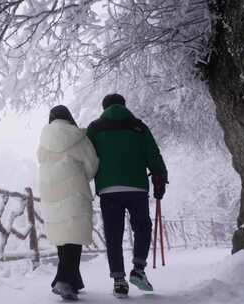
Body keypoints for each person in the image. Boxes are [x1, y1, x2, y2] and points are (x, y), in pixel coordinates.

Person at [86, 94, 168, 298]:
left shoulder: (95, 128)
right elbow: (153, 153)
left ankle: (119, 281)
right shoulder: (138, 126)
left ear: (104, 107)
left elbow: (86, 156)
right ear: (124, 105)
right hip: (137, 187)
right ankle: (139, 269)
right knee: (142, 226)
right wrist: (160, 178)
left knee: (113, 234)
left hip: (108, 189)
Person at [37, 105, 99, 301]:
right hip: (74, 191)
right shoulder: (78, 137)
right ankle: (63, 280)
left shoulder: (43, 142)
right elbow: (92, 165)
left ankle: (73, 281)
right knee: (74, 237)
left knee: (64, 238)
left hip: (50, 193)